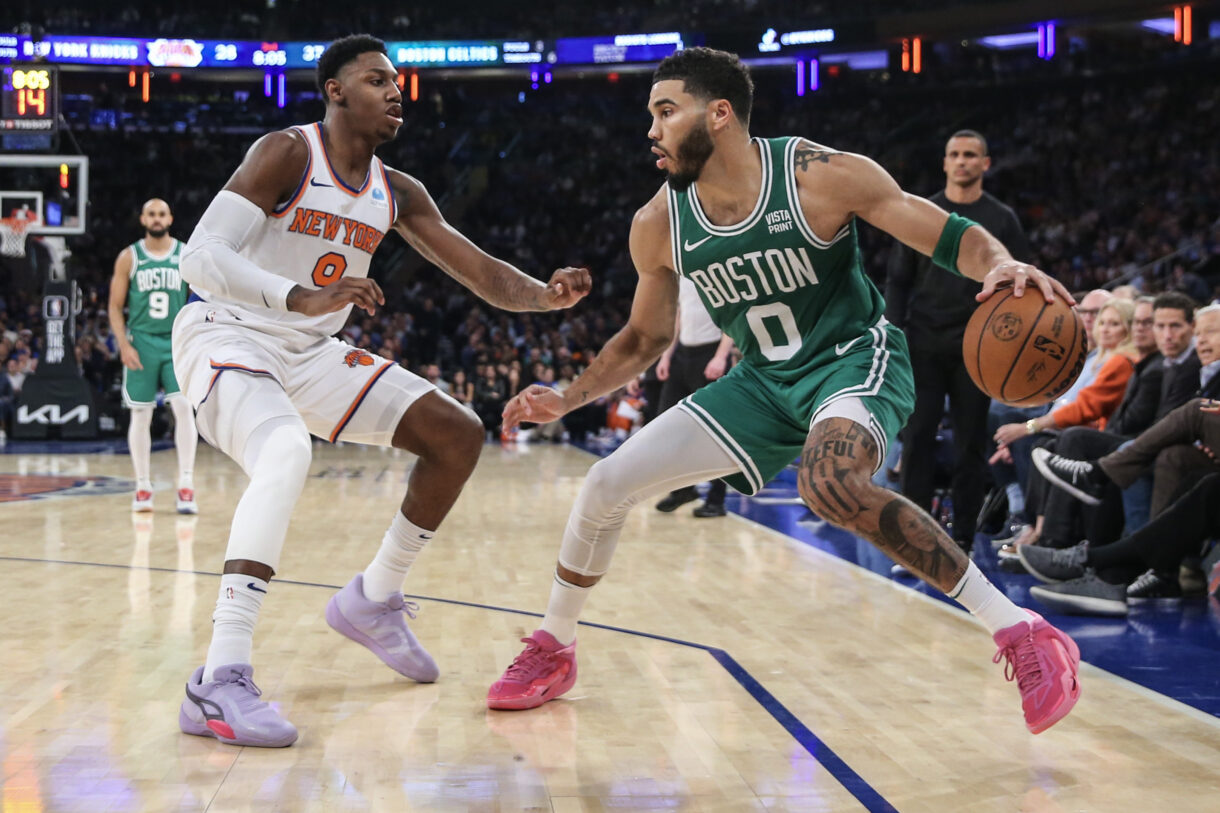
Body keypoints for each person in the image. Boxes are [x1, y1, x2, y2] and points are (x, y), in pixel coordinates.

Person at [487, 47, 1080, 734]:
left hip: (852, 359)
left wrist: (1002, 263)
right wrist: (567, 395)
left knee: (829, 484)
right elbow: (643, 339)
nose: (651, 129)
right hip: (763, 381)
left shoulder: (817, 176)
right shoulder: (659, 222)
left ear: (720, 114)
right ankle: (554, 646)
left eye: (665, 111)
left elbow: (943, 234)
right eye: (650, 114)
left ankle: (1020, 630)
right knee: (604, 484)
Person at [172, 35, 590, 747]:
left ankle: (373, 596)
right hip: (227, 333)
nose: (396, 91)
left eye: (398, 82)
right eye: (376, 80)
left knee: (455, 433)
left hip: (310, 349)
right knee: (283, 451)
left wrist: (546, 298)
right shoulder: (288, 153)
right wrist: (298, 295)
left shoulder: (398, 191)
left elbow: (484, 274)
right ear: (334, 91)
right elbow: (200, 256)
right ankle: (219, 677)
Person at [885, 130, 1032, 551]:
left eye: (971, 155)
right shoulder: (923, 213)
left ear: (986, 163)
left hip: (979, 350)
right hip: (924, 342)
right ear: (944, 162)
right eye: (954, 154)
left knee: (970, 444)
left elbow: (1020, 285)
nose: (962, 161)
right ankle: (912, 539)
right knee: (916, 439)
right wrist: (892, 334)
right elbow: (898, 280)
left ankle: (962, 538)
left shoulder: (1002, 219)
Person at [107, 198, 199, 513]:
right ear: (143, 219)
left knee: (184, 408)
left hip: (175, 341)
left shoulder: (185, 254)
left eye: (161, 214)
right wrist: (123, 344)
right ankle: (142, 486)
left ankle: (186, 484)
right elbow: (114, 306)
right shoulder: (129, 257)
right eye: (151, 214)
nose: (157, 219)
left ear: (170, 218)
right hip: (142, 341)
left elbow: (199, 300)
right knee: (140, 413)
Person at [653, 276, 736, 517]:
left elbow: (732, 316)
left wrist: (721, 356)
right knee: (667, 426)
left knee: (715, 432)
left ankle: (716, 500)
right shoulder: (680, 274)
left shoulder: (717, 270)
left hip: (710, 353)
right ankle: (683, 490)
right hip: (683, 355)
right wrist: (667, 356)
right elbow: (680, 316)